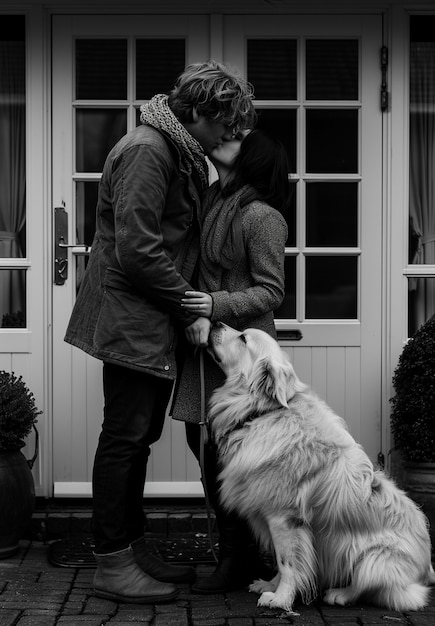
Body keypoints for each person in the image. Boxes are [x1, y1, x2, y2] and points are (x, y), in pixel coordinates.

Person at [64, 60, 256, 605]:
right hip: (132, 317)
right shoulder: (149, 150)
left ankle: (131, 547)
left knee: (139, 435)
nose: (230, 135)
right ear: (196, 112)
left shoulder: (173, 148)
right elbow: (139, 249)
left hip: (147, 317)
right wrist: (190, 308)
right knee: (125, 437)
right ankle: (111, 563)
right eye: (224, 124)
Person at [171, 128, 291, 593]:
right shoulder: (211, 202)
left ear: (254, 160)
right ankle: (236, 554)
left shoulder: (262, 217)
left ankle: (239, 559)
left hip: (240, 352)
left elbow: (271, 291)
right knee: (205, 451)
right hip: (206, 347)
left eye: (239, 138)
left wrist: (214, 307)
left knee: (234, 458)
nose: (226, 137)